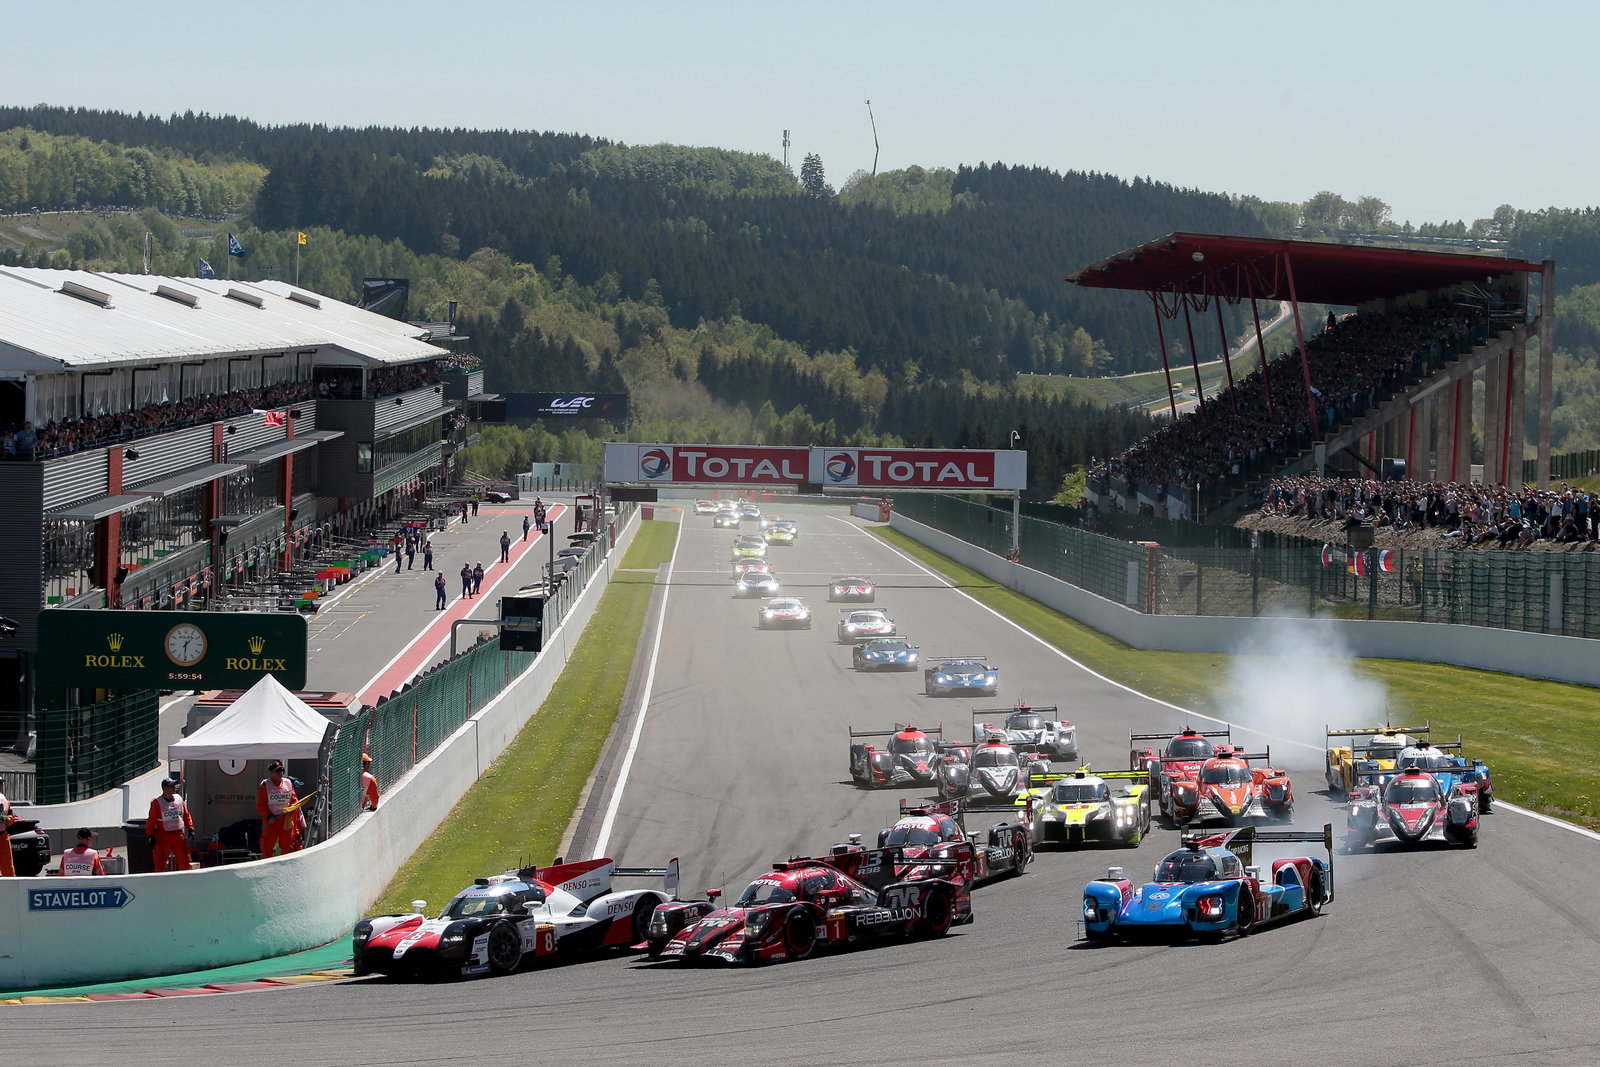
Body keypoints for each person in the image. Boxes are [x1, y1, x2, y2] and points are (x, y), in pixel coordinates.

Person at [257, 760, 305, 856]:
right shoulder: (265, 785)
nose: (281, 773)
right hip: (271, 821)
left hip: (286, 820)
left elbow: (294, 801)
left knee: (287, 846)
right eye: (278, 771)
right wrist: (269, 816)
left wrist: (290, 811)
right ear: (272, 772)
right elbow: (260, 805)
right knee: (267, 847)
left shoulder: (288, 783)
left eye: (282, 770)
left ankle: (285, 868)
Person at [147, 777, 194, 871]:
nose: (174, 788)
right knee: (160, 862)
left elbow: (186, 814)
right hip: (163, 836)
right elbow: (151, 820)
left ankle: (186, 879)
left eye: (173, 786)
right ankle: (159, 881)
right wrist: (150, 835)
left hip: (178, 835)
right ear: (165, 788)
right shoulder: (157, 803)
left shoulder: (179, 800)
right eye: (171, 786)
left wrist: (190, 828)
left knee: (185, 860)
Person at [0, 786, 14, 877]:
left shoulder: (4, 800)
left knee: (8, 869)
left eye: (0, 784)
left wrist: (6, 819)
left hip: (2, 836)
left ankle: (10, 887)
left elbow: (11, 817)